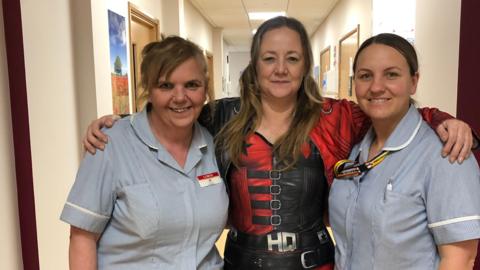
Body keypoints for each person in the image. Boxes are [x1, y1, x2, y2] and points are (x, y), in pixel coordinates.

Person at [83, 17, 476, 269]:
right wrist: (117, 124)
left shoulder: (335, 117)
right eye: (270, 58)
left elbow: (388, 106)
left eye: (292, 58)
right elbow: (170, 113)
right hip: (241, 262)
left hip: (315, 263)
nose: (281, 69)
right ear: (254, 63)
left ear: (305, 64)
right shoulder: (219, 116)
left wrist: (443, 120)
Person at [60, 36, 228, 270]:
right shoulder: (109, 144)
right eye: (166, 86)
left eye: (192, 85)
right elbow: (82, 238)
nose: (180, 97)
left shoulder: (215, 144)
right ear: (148, 90)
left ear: (205, 90)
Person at [329, 33, 480, 270]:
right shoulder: (355, 150)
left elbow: (460, 260)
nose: (376, 87)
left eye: (391, 74)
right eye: (365, 76)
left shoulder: (446, 155)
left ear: (413, 81)